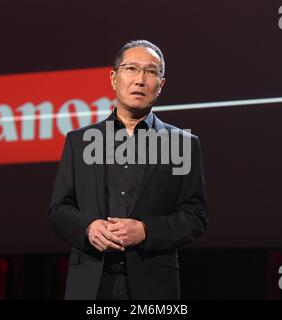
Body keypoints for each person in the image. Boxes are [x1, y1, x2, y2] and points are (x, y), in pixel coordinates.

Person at [49, 40, 208, 300]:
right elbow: (59, 209)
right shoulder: (79, 142)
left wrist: (146, 230)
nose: (140, 79)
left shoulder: (183, 144)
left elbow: (195, 217)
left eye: (151, 71)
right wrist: (88, 227)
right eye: (132, 68)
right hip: (90, 282)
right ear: (113, 78)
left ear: (161, 85)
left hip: (153, 283)